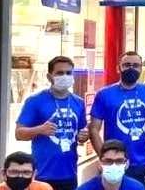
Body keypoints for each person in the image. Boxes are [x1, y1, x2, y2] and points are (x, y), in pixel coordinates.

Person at [16, 56, 89, 190]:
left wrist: (84, 136)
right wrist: (39, 130)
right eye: (60, 73)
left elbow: (81, 134)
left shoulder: (78, 102)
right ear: (49, 77)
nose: (65, 76)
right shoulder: (35, 101)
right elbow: (19, 134)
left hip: (70, 173)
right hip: (42, 174)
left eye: (68, 73)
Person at [90, 52, 145, 187]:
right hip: (115, 163)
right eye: (127, 65)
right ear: (118, 68)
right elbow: (93, 129)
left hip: (144, 163)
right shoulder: (104, 94)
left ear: (141, 68)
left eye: (136, 65)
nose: (131, 68)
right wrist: (104, 158)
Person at [76, 140, 145, 190]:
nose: (113, 166)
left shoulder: (137, 188)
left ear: (127, 164)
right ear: (99, 163)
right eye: (108, 161)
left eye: (119, 161)